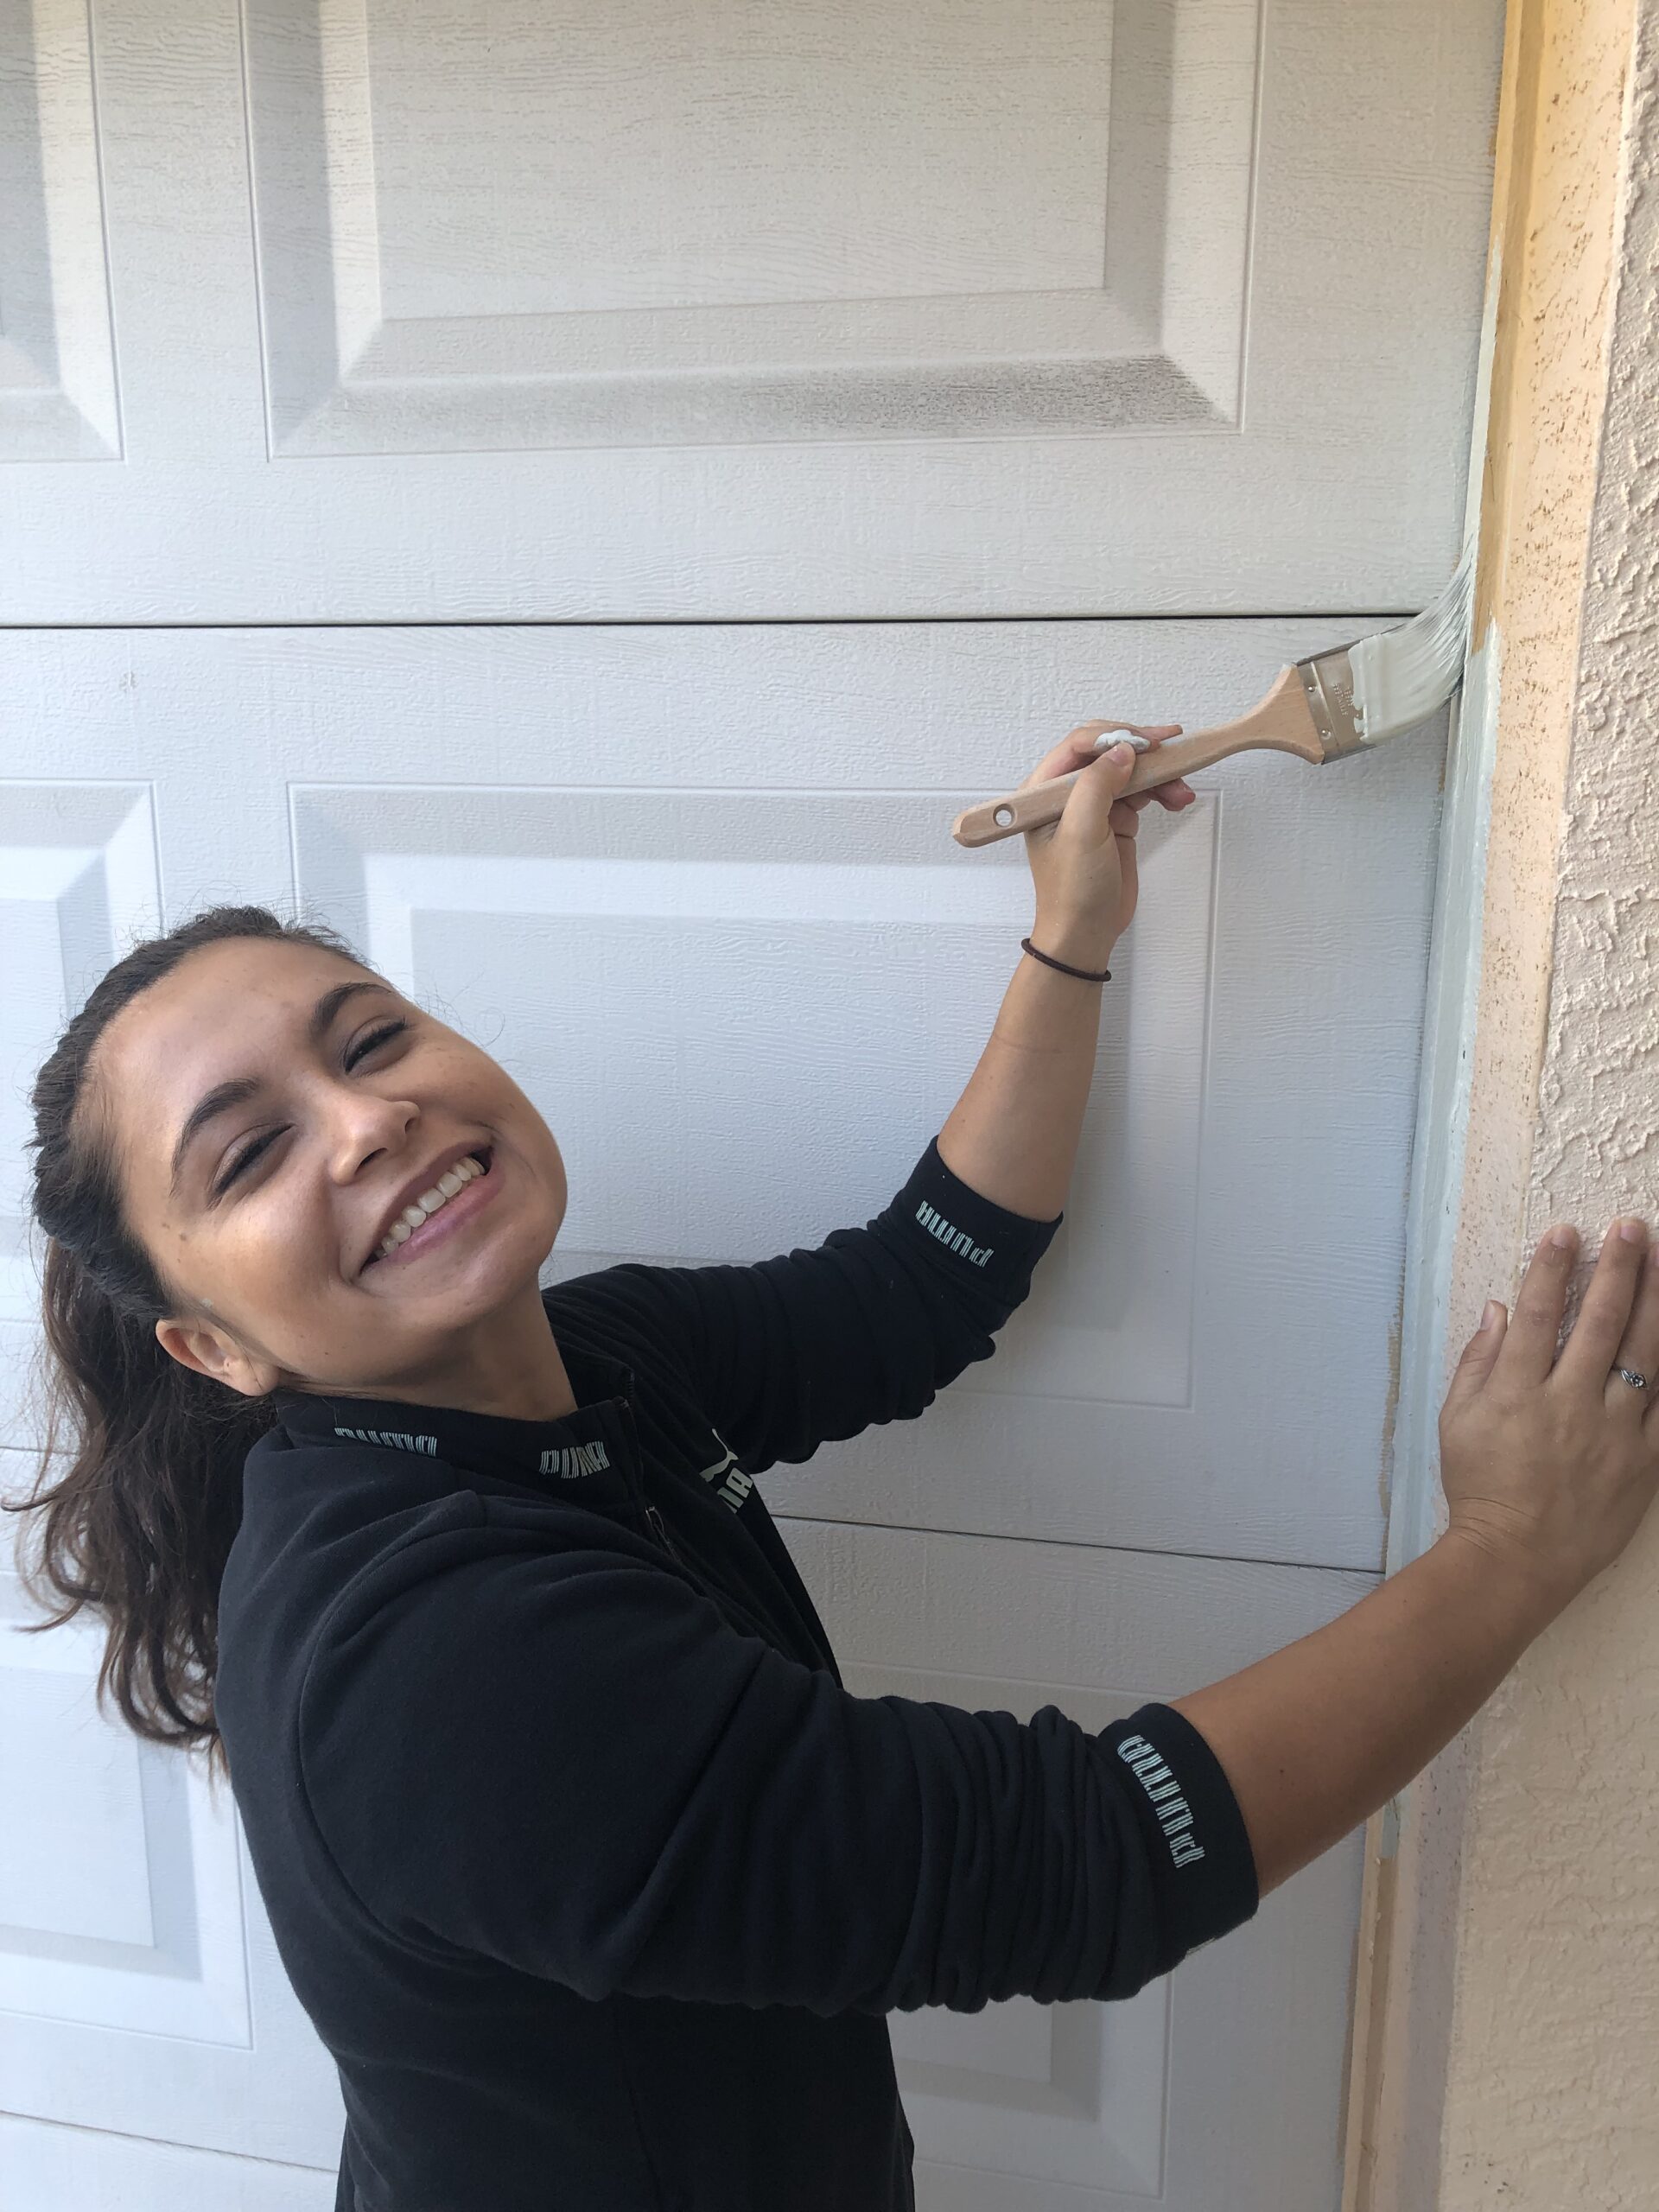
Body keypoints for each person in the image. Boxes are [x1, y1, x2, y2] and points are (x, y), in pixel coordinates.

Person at [10, 727, 1656, 2212]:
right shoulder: (431, 1660)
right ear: (211, 1349)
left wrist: (1069, 936)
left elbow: (913, 1290)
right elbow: (1092, 1862)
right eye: (250, 1152)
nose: (362, 1122)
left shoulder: (585, 1357)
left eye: (367, 1042)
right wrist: (1511, 1549)